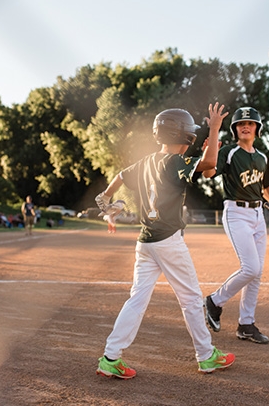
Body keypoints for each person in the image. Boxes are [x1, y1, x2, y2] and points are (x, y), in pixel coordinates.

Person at [94, 103, 234, 379]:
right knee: (192, 299)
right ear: (184, 135)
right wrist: (215, 129)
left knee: (137, 299)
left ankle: (111, 357)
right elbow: (208, 165)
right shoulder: (174, 163)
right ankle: (206, 356)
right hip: (168, 241)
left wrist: (107, 201)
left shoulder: (147, 161)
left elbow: (119, 177)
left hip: (145, 242)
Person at [203, 106, 269, 345]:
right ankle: (214, 301)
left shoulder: (261, 157)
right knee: (250, 268)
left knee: (257, 273)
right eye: (240, 124)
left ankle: (246, 325)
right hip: (236, 213)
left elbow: (264, 185)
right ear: (236, 130)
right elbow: (208, 174)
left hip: (259, 215)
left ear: (257, 129)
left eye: (250, 123)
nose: (245, 126)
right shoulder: (229, 152)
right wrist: (209, 150)